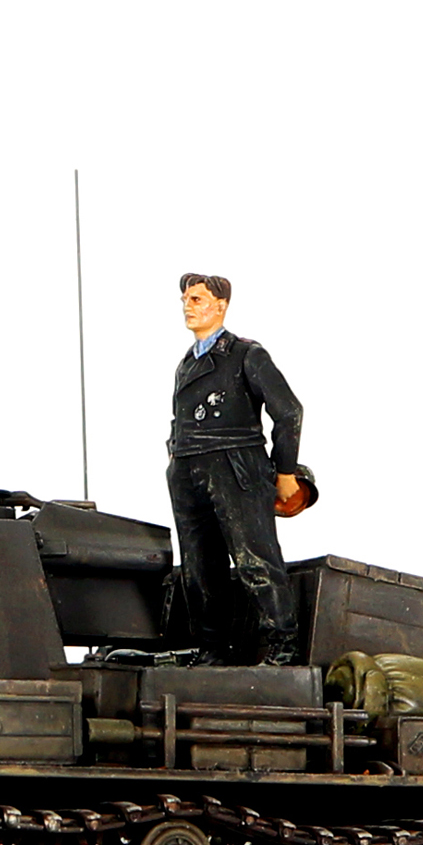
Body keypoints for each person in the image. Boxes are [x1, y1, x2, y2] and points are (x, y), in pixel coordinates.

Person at [165, 273, 302, 665]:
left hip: (235, 467)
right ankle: (212, 649)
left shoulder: (245, 354)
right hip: (189, 469)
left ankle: (283, 646)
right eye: (185, 299)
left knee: (254, 558)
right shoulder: (186, 364)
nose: (188, 306)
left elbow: (288, 411)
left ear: (221, 305)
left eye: (196, 299)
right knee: (198, 566)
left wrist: (285, 472)